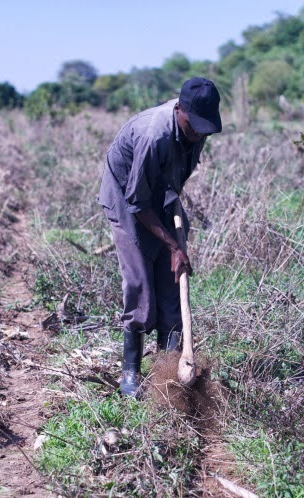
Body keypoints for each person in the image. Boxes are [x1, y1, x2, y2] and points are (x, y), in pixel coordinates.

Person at [98, 77, 222, 397]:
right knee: (141, 286)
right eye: (193, 127)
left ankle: (168, 370)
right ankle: (130, 376)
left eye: (204, 128)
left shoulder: (198, 129)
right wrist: (170, 244)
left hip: (159, 196)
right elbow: (136, 201)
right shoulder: (155, 135)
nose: (198, 134)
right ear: (179, 110)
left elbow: (176, 177)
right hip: (127, 198)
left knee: (171, 284)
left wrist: (174, 239)